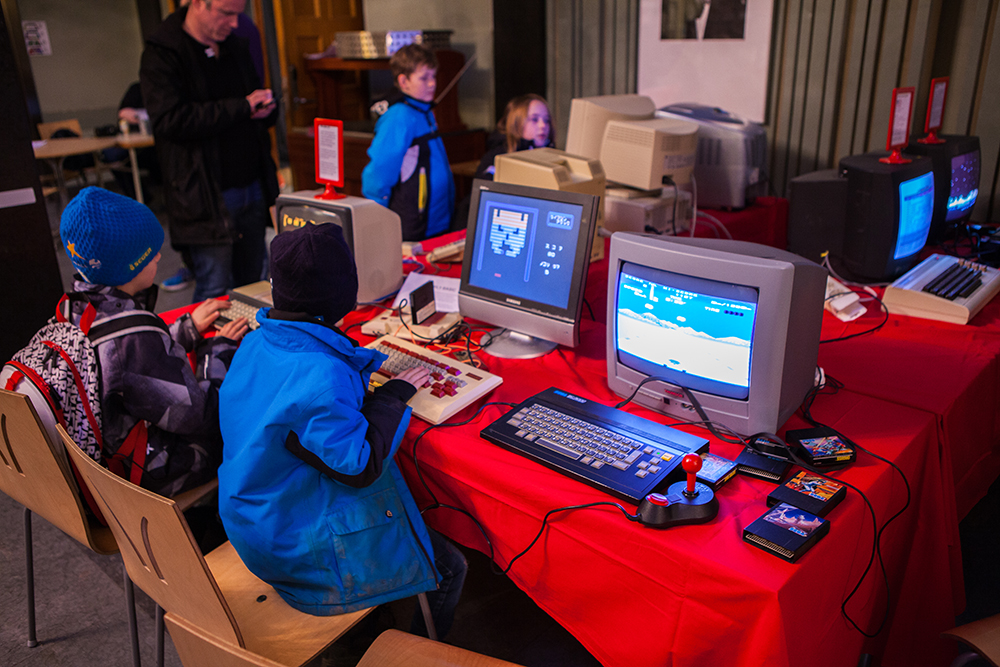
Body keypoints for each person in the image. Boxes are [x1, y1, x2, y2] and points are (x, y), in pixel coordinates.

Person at [218, 222, 467, 637]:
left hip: (254, 520)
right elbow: (360, 466)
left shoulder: (257, 342)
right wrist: (391, 397)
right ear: (344, 295)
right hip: (294, 549)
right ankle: (414, 651)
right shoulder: (321, 376)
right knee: (452, 566)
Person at [59, 187, 249, 497]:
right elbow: (200, 415)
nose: (160, 256)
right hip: (141, 476)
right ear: (128, 266)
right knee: (241, 428)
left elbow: (120, 361)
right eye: (150, 253)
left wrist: (185, 331)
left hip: (91, 467)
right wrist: (216, 350)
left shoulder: (74, 309)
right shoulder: (135, 336)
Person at [139, 0, 279, 304]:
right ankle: (211, 353)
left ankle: (251, 352)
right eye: (226, 13)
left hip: (251, 186)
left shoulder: (234, 46)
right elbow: (169, 121)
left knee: (255, 286)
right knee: (215, 291)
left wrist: (266, 107)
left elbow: (253, 102)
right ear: (198, 3)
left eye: (237, 14)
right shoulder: (163, 52)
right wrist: (241, 107)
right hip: (204, 195)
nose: (234, 23)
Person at [362, 44, 455, 242]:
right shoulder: (399, 117)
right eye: (424, 78)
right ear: (403, 81)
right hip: (414, 223)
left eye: (433, 76)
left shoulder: (424, 111)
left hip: (435, 222)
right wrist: (377, 217)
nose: (432, 84)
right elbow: (378, 172)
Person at [474, 93, 554, 182]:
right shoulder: (497, 157)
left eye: (547, 120)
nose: (543, 125)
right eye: (534, 119)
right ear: (516, 123)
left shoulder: (554, 156)